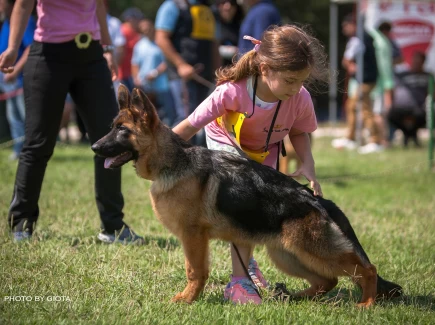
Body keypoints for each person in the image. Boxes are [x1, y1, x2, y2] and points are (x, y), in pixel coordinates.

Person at [172, 25, 328, 304]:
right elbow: (189, 125)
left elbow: (299, 131)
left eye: (301, 81)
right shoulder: (231, 92)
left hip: (263, 151)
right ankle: (239, 282)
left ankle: (245, 264)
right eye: (290, 80)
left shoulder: (300, 97)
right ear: (265, 68)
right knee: (244, 201)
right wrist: (160, 153)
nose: (296, 88)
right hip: (226, 144)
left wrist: (308, 164)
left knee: (258, 208)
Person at [0, 0, 143, 244]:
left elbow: (98, 5)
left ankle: (113, 226)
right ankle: (21, 225)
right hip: (48, 56)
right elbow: (23, 5)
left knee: (111, 142)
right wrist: (13, 47)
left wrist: (107, 48)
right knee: (38, 144)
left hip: (91, 57)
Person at [155, 0, 221, 145]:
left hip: (205, 78)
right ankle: (170, 162)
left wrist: (219, 74)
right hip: (182, 77)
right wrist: (181, 65)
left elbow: (214, 43)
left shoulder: (209, 10)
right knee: (185, 119)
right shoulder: (172, 6)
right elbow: (161, 38)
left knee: (207, 121)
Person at [331, 14, 381, 154]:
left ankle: (375, 141)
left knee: (365, 109)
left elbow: (346, 60)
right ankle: (351, 138)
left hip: (365, 81)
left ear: (353, 25)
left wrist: (351, 65)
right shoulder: (367, 36)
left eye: (345, 25)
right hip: (368, 80)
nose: (344, 29)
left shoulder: (357, 39)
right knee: (352, 106)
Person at [0, 0, 35, 161]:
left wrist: (16, 71)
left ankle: (31, 151)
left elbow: (30, 47)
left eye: (1, 4)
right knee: (13, 118)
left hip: (21, 79)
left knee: (26, 118)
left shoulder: (24, 20)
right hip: (8, 80)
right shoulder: (6, 22)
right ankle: (18, 150)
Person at [131, 18, 176, 127]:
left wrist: (155, 73)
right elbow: (135, 63)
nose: (146, 30)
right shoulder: (139, 45)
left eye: (148, 27)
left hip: (161, 85)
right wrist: (136, 78)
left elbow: (167, 62)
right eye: (143, 28)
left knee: (166, 114)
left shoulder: (160, 43)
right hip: (145, 85)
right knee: (146, 113)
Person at [388, 51, 431, 147]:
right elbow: (391, 88)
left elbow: (432, 92)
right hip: (401, 108)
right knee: (390, 115)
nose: (415, 63)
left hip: (419, 109)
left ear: (423, 62)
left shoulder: (428, 76)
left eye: (418, 61)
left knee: (426, 115)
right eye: (414, 60)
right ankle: (411, 134)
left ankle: (408, 135)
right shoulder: (402, 75)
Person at [213, 0, 244, 67]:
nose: (228, 7)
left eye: (232, 3)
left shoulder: (242, 27)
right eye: (223, 2)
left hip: (236, 70)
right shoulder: (212, 24)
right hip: (216, 70)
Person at [118, 7, 143, 91]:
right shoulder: (122, 31)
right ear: (130, 19)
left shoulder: (136, 32)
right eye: (138, 19)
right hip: (122, 73)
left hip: (133, 73)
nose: (140, 21)